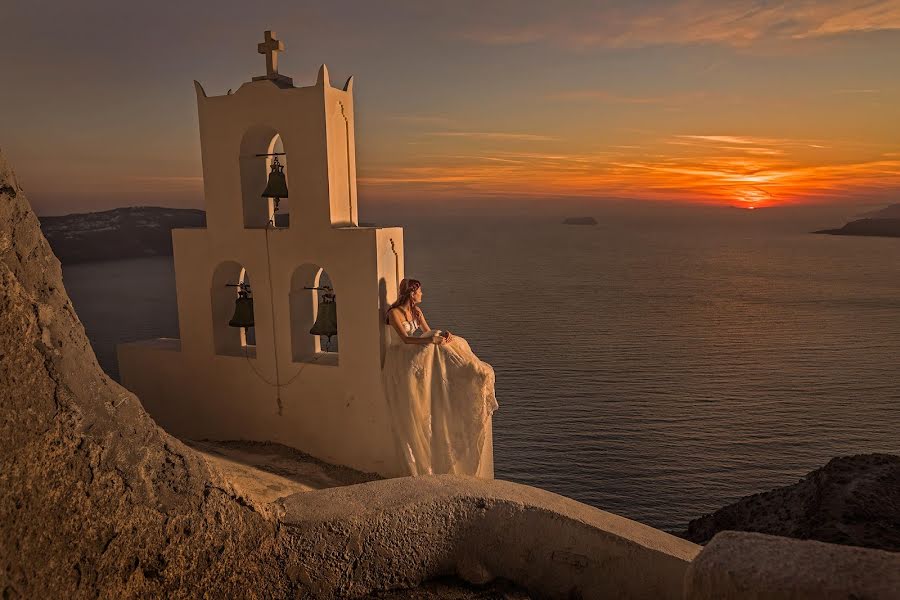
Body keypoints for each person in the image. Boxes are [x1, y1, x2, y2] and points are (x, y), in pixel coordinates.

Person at [383, 278, 498, 477]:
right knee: (431, 343)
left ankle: (470, 370)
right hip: (402, 354)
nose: (422, 294)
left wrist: (443, 336)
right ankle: (467, 370)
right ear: (412, 293)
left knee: (444, 338)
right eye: (419, 291)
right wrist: (433, 339)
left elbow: (427, 332)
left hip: (417, 349)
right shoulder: (394, 313)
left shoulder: (416, 312)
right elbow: (406, 339)